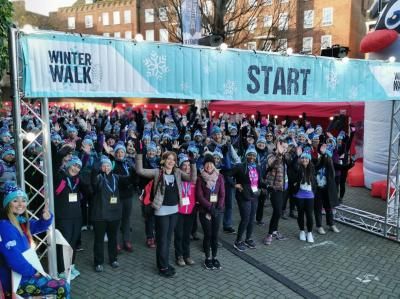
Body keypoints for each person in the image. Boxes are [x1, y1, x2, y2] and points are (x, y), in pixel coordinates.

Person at [136, 147, 197, 278]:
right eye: (168, 158)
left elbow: (192, 179)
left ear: (175, 162)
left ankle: (163, 264)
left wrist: (193, 163)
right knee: (162, 240)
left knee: (168, 239)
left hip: (174, 210)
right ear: (164, 160)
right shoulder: (158, 172)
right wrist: (139, 154)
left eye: (173, 159)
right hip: (161, 211)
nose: (171, 161)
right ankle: (163, 267)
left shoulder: (178, 173)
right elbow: (140, 171)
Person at [0, 185, 70, 298]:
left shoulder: (19, 221)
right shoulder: (5, 226)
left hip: (23, 276)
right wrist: (34, 272)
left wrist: (46, 219)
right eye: (15, 201)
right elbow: (14, 259)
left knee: (58, 284)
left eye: (23, 200)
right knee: (62, 286)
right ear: (7, 204)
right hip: (15, 281)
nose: (20, 204)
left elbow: (37, 226)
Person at [91, 156, 133, 272]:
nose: (106, 167)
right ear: (101, 167)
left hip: (114, 214)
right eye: (104, 165)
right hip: (100, 215)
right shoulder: (99, 177)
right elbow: (93, 182)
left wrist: (134, 168)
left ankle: (113, 259)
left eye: (108, 165)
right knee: (99, 240)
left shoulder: (116, 177)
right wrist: (95, 169)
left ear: (112, 167)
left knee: (113, 238)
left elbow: (130, 179)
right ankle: (98, 262)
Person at [223, 145, 263, 251]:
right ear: (246, 156)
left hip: (254, 195)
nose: (251, 157)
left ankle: (248, 239)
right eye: (249, 155)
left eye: (253, 155)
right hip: (243, 196)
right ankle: (238, 241)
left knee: (251, 219)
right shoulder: (240, 166)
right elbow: (227, 175)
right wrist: (234, 184)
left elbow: (260, 181)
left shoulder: (257, 167)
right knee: (245, 218)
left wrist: (267, 186)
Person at [54, 156, 84, 280]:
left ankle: (71, 265)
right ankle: (62, 269)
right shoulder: (59, 177)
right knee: (63, 243)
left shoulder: (77, 180)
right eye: (74, 165)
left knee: (73, 241)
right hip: (63, 216)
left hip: (76, 216)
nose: (75, 168)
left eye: (78, 167)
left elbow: (88, 188)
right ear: (68, 165)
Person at [196, 154, 225, 270]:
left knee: (215, 235)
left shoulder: (220, 177)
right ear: (204, 165)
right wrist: (210, 207)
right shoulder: (200, 178)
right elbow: (199, 196)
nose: (209, 166)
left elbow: (222, 194)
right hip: (205, 211)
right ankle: (207, 258)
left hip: (217, 211)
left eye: (211, 163)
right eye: (207, 164)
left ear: (214, 165)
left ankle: (214, 257)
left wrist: (218, 208)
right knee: (208, 235)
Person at [263, 138, 289, 245]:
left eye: (286, 148)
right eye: (283, 147)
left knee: (278, 212)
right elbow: (273, 164)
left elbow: (291, 161)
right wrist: (279, 154)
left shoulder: (285, 156)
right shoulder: (271, 156)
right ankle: (269, 234)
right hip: (274, 188)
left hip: (284, 188)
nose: (285, 149)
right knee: (277, 211)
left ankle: (274, 231)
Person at [112, 143, 137, 253]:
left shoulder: (129, 164)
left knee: (126, 219)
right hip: (117, 196)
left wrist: (133, 176)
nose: (119, 154)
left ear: (125, 153)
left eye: (121, 152)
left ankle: (127, 241)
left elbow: (135, 179)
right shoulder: (112, 164)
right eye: (117, 152)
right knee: (117, 219)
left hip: (128, 196)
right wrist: (127, 179)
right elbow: (115, 179)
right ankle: (116, 243)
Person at [174, 154, 196, 266]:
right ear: (180, 166)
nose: (187, 167)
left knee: (187, 234)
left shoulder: (193, 178)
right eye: (184, 165)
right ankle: (179, 256)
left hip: (190, 211)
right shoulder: (177, 178)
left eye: (188, 165)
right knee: (179, 234)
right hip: (179, 211)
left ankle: (187, 255)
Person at [315, 144, 340, 234]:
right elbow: (320, 162)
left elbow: (330, 163)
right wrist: (322, 154)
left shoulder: (330, 167)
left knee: (328, 208)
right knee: (318, 208)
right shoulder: (318, 164)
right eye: (325, 156)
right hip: (318, 190)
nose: (326, 158)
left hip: (327, 190)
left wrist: (351, 163)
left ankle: (331, 224)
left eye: (328, 156)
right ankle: (319, 226)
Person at [294, 151, 317, 243]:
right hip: (299, 195)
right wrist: (298, 155)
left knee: (309, 215)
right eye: (303, 158)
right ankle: (302, 231)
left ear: (309, 160)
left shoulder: (312, 168)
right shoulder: (298, 168)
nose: (304, 160)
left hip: (310, 196)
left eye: (306, 158)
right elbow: (293, 167)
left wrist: (322, 154)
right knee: (300, 214)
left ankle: (309, 233)